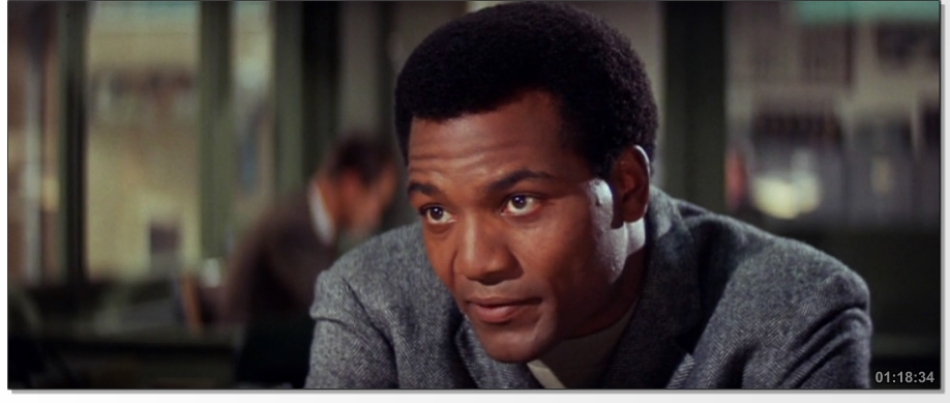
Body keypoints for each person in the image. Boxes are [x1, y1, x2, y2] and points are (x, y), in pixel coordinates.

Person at [305, 2, 871, 389]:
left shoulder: (792, 311)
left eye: (519, 202)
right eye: (437, 211)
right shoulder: (373, 301)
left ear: (628, 188)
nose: (475, 262)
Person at [219, 135, 398, 324]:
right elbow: (327, 305)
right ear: (351, 184)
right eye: (378, 202)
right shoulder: (292, 228)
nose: (376, 217)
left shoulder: (313, 225)